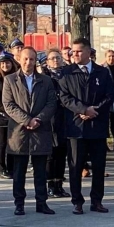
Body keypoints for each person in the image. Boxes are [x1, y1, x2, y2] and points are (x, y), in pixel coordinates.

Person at [56, 37, 114, 215]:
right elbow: (64, 97)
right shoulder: (66, 72)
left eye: (78, 51)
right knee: (75, 166)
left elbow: (109, 95)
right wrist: (82, 109)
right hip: (76, 127)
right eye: (72, 51)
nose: (74, 54)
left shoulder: (102, 72)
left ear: (89, 52)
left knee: (98, 166)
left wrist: (94, 110)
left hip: (97, 125)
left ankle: (97, 201)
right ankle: (77, 201)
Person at [2, 46, 57, 216]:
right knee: (19, 172)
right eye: (25, 59)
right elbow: (9, 105)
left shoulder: (46, 81)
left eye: (32, 59)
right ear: (19, 59)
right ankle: (19, 204)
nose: (28, 62)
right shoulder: (10, 80)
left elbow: (51, 103)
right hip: (19, 132)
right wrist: (27, 120)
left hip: (40, 131)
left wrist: (38, 119)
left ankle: (42, 203)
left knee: (40, 171)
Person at [43, 49, 70, 199]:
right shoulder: (44, 76)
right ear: (47, 61)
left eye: (58, 58)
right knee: (51, 154)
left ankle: (59, 184)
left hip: (64, 117)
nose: (55, 60)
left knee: (61, 152)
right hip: (49, 118)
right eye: (52, 58)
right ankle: (50, 185)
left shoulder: (67, 75)